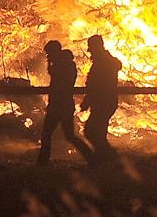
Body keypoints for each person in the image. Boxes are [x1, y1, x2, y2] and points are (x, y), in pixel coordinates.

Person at [37, 40, 93, 166]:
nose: (48, 56)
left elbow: (56, 80)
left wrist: (50, 64)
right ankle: (91, 157)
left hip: (59, 105)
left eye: (49, 53)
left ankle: (42, 163)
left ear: (55, 52)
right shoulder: (67, 64)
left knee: (49, 134)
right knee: (68, 135)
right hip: (65, 104)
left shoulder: (61, 66)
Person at [81, 34, 122, 164]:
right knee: (98, 132)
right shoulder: (106, 61)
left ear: (97, 47)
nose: (90, 51)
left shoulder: (102, 63)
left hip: (103, 102)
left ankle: (111, 157)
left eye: (91, 48)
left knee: (91, 131)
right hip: (106, 102)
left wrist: (87, 101)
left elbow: (96, 85)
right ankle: (103, 160)